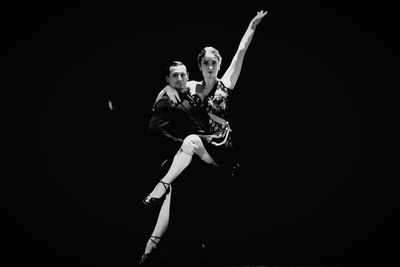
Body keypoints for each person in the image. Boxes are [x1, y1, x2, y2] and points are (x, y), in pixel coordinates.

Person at [144, 9, 268, 208]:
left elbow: (241, 50)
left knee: (191, 141)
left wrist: (252, 25)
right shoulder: (191, 86)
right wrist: (166, 87)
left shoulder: (226, 83)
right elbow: (165, 95)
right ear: (200, 65)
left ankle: (163, 184)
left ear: (219, 64)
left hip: (221, 145)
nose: (210, 67)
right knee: (187, 158)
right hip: (201, 146)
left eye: (214, 63)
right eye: (205, 63)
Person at [139, 61, 217, 265]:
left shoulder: (191, 92)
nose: (180, 79)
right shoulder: (167, 101)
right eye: (175, 76)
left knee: (174, 196)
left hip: (204, 150)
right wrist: (183, 146)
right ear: (167, 79)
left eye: (183, 75)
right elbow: (154, 133)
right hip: (186, 156)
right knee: (176, 197)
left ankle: (153, 245)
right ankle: (155, 245)